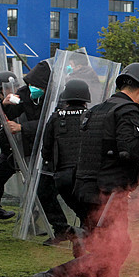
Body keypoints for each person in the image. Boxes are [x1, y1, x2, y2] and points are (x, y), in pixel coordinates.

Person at [30, 63, 139, 277]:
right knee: (114, 250)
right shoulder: (128, 111)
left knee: (110, 248)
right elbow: (130, 149)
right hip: (107, 194)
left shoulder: (99, 109)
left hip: (85, 190)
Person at [0, 61, 54, 240]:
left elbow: (50, 123)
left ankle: (47, 227)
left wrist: (23, 128)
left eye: (37, 86)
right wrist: (4, 106)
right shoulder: (21, 95)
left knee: (41, 191)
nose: (33, 89)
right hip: (14, 151)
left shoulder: (53, 99)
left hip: (39, 153)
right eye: (31, 85)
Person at [39, 78, 91, 244]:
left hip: (62, 176)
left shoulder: (56, 118)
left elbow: (46, 149)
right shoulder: (92, 116)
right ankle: (85, 234)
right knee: (86, 210)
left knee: (43, 193)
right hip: (87, 175)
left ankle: (63, 229)